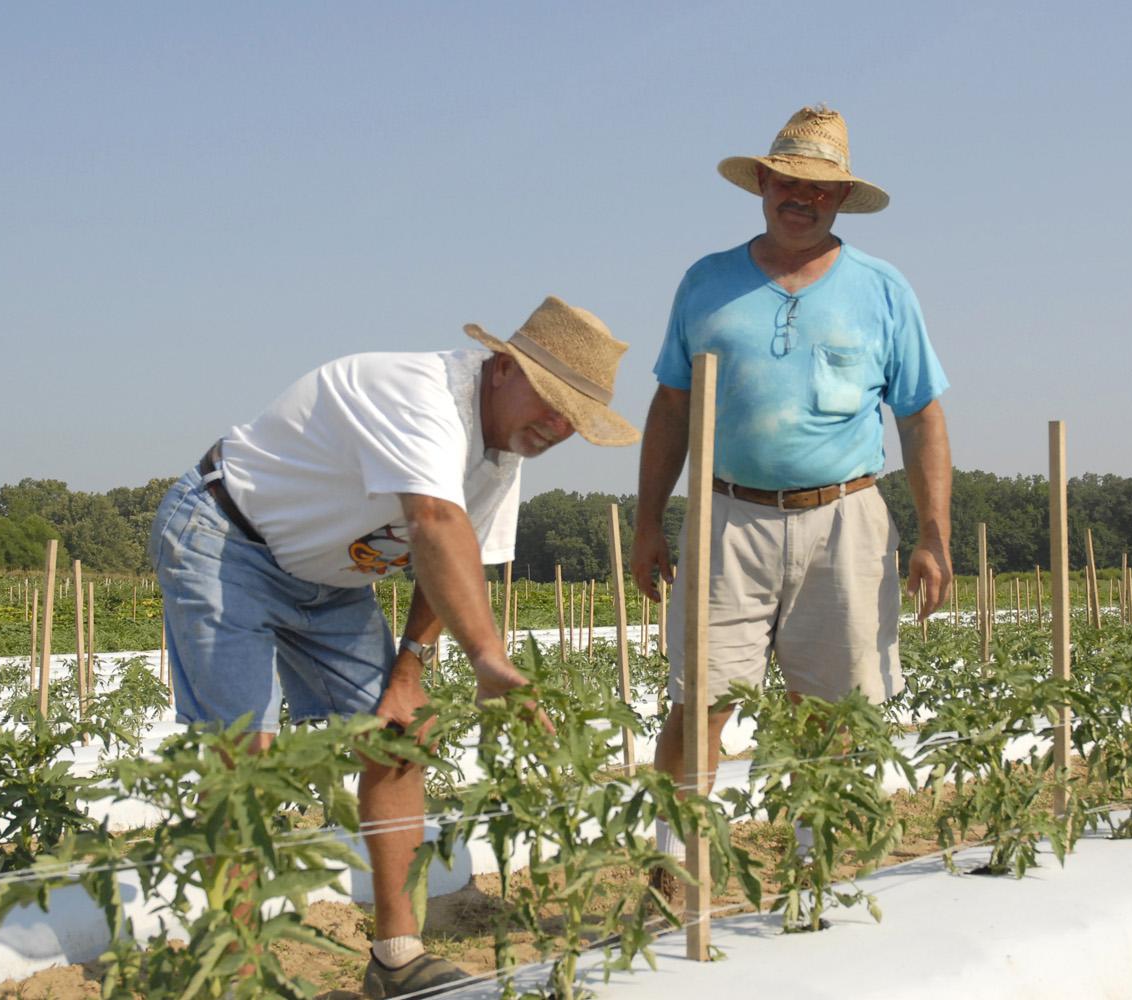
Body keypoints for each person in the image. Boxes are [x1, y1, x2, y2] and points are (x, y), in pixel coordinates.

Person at [151, 296, 639, 999]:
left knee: (400, 732)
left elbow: (453, 560)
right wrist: (487, 656)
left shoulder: (501, 454)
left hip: (331, 580)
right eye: (554, 402)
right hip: (227, 541)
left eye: (576, 419)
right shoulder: (422, 397)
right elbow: (434, 521)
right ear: (503, 368)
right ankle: (238, 973)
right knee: (241, 758)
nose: (558, 428)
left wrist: (409, 673)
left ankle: (397, 958)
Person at [631, 105, 953, 879]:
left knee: (834, 706)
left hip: (845, 517)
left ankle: (819, 860)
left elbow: (921, 415)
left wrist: (935, 532)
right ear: (763, 184)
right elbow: (671, 405)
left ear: (841, 198)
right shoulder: (706, 283)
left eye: (820, 188)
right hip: (725, 515)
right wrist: (648, 522)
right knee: (700, 700)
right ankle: (677, 865)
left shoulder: (882, 289)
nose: (800, 198)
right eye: (787, 181)